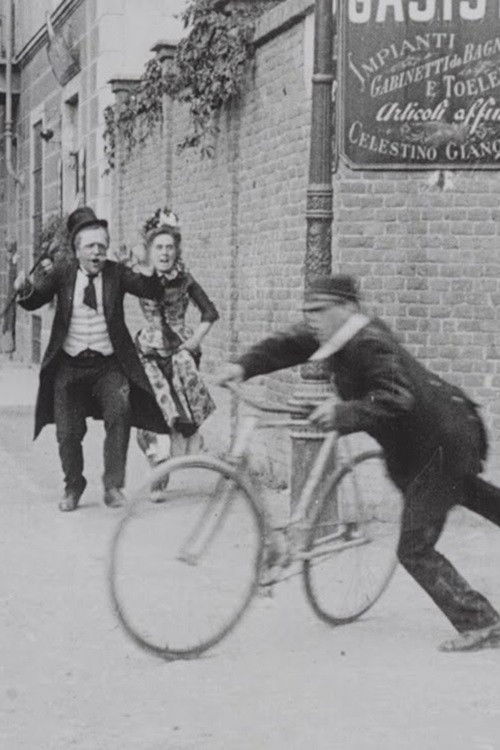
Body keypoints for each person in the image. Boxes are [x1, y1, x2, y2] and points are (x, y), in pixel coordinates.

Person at [217, 274, 500, 652]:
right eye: (309, 311)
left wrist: (343, 412)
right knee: (470, 494)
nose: (313, 319)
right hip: (431, 440)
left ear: (348, 308)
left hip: (442, 446)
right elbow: (286, 345)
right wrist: (242, 367)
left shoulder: (369, 343)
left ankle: (483, 623)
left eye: (320, 310)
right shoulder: (334, 335)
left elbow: (397, 398)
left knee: (413, 549)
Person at [14, 206, 168, 512]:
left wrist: (147, 267)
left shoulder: (116, 273)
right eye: (90, 246)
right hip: (69, 365)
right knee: (67, 433)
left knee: (120, 412)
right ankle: (73, 486)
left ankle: (113, 486)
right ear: (77, 250)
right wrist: (23, 288)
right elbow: (35, 298)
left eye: (102, 246)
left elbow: (150, 291)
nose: (97, 252)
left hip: (108, 365)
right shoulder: (63, 273)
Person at [131, 210, 218, 485]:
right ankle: (158, 468)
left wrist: (194, 341)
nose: (164, 253)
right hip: (148, 350)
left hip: (180, 352)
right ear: (150, 250)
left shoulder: (185, 280)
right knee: (153, 409)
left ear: (176, 251)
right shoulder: (139, 277)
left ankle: (166, 464)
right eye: (159, 247)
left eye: (169, 247)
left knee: (180, 411)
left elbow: (210, 312)